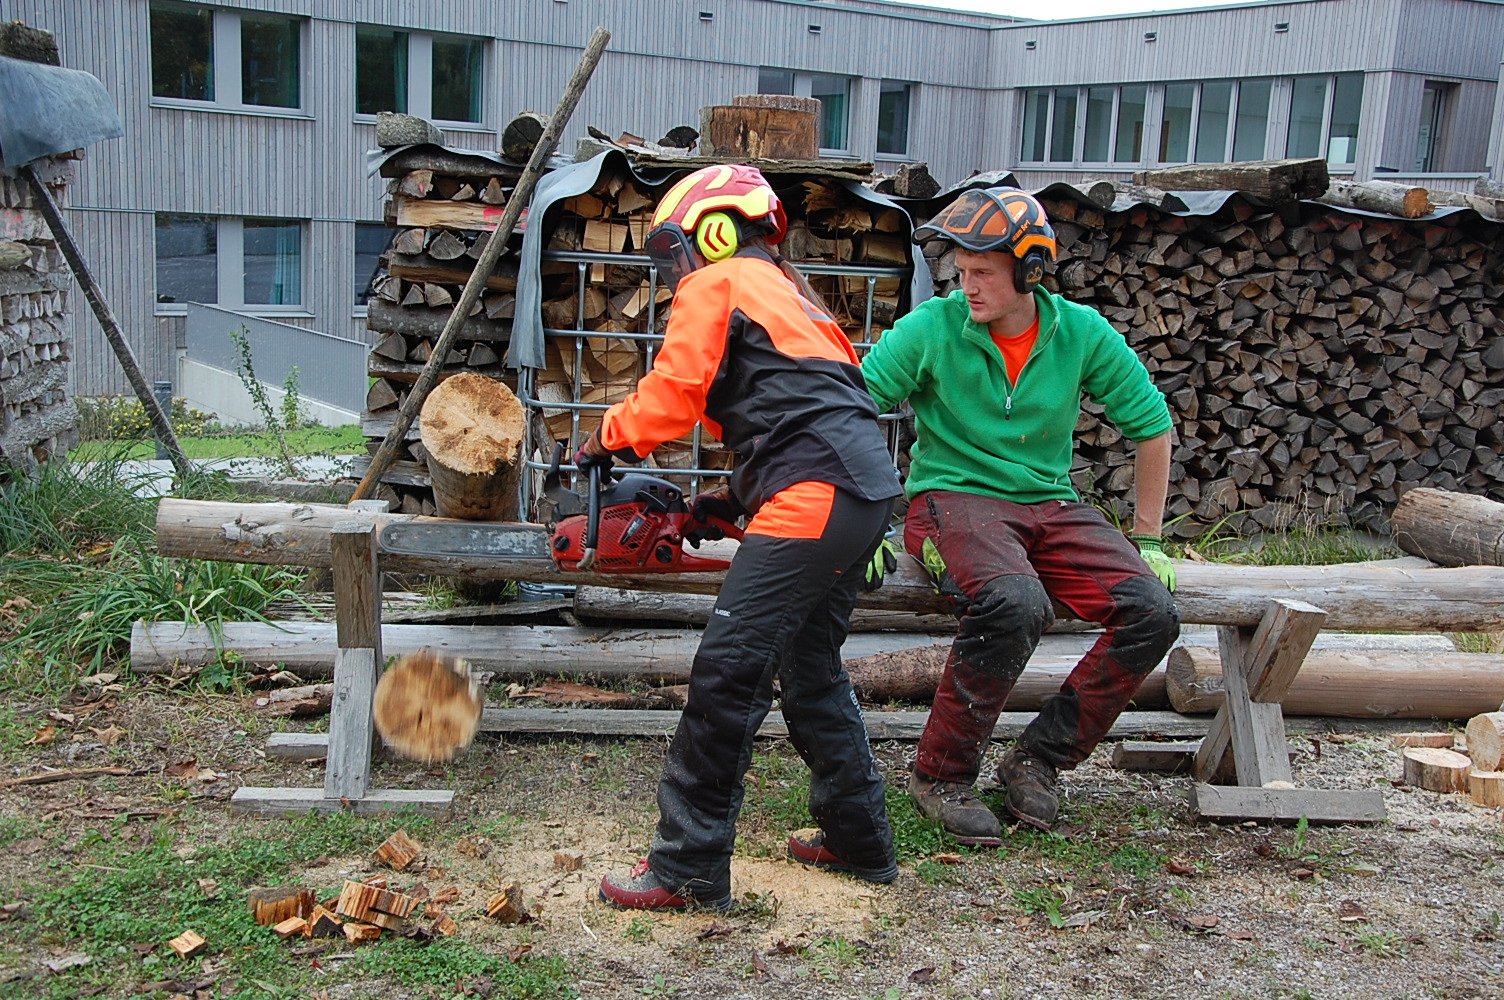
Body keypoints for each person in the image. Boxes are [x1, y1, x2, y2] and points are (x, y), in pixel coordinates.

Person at [576, 164, 903, 911]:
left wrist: (604, 439)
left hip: (816, 496)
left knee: (727, 674)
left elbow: (673, 394)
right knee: (811, 670)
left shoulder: (718, 283)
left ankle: (687, 867)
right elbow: (807, 415)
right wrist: (733, 497)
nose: (673, 272)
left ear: (715, 232)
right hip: (862, 496)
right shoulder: (794, 296)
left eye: (674, 250)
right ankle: (859, 841)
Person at [860, 186, 1180, 843]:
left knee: (1153, 612)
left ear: (1031, 270)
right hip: (951, 499)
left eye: (983, 272)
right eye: (961, 270)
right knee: (1016, 602)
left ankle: (1038, 760)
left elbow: (1153, 425)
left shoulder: (1081, 333)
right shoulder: (932, 328)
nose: (966, 286)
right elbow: (852, 408)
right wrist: (859, 519)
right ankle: (941, 775)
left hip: (1048, 503)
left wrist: (1147, 539)